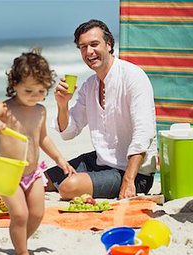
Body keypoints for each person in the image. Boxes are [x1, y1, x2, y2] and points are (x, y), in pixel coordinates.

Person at [0, 49, 75, 255]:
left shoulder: (40, 111)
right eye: (28, 91)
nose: (34, 97)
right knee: (20, 214)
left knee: (37, 214)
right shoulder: (4, 108)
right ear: (14, 85)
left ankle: (19, 241)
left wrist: (59, 159)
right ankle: (22, 253)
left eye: (40, 92)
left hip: (33, 173)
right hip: (7, 172)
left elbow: (43, 139)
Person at [45, 19, 157, 200]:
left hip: (133, 173)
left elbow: (144, 133)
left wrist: (129, 180)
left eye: (94, 44)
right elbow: (69, 133)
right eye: (83, 47)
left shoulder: (133, 76)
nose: (89, 52)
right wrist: (62, 104)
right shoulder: (89, 85)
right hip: (100, 161)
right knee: (43, 181)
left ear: (109, 44)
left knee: (68, 187)